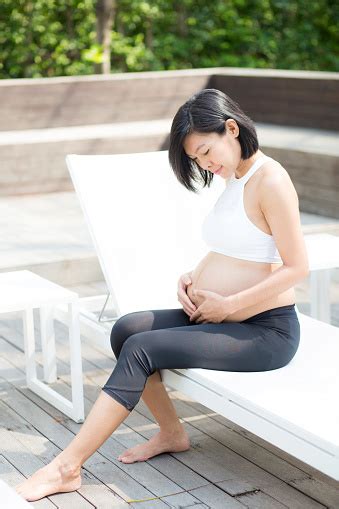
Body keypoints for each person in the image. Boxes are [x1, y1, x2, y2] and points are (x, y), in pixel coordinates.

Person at [17, 88, 309, 502]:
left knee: (142, 349)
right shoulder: (234, 178)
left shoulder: (271, 180)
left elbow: (298, 268)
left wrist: (228, 303)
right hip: (225, 317)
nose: (206, 164)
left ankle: (66, 468)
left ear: (231, 128)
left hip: (265, 331)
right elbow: (239, 246)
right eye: (196, 159)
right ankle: (172, 433)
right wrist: (194, 276)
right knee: (126, 329)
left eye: (206, 150)